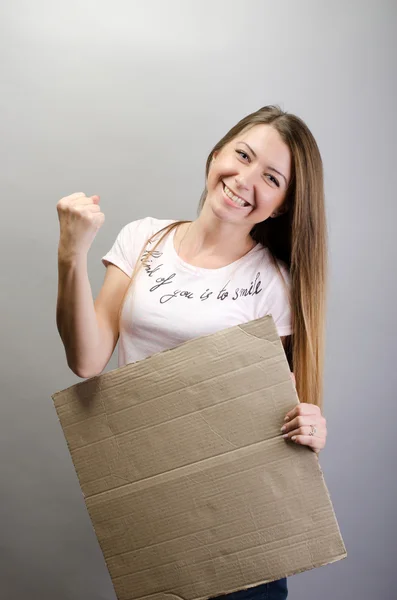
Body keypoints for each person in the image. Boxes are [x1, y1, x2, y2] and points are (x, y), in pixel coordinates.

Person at [56, 105, 328, 600]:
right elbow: (87, 360)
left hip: (239, 517)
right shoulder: (143, 238)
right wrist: (71, 255)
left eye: (271, 177)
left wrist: (311, 423)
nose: (244, 179)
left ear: (284, 203)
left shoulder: (273, 284)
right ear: (218, 152)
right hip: (155, 504)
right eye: (242, 155)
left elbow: (281, 409)